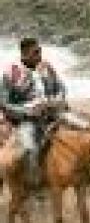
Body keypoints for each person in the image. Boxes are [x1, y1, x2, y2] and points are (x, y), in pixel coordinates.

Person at [0, 37, 67, 188]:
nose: (39, 56)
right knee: (30, 148)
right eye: (35, 53)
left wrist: (57, 100)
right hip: (27, 120)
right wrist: (28, 111)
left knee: (87, 128)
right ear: (24, 54)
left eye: (40, 51)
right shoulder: (11, 72)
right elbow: (3, 103)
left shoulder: (47, 67)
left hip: (54, 113)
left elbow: (61, 87)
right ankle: (33, 185)